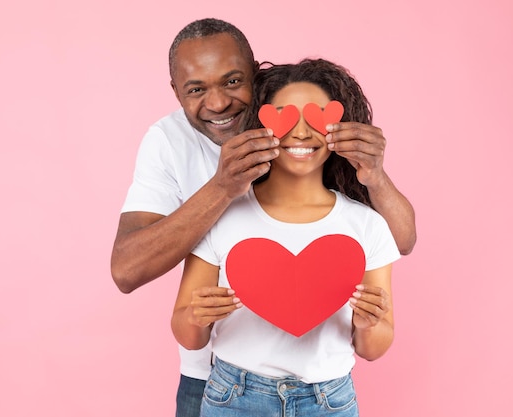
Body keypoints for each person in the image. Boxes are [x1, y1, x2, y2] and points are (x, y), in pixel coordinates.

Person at [110, 18, 416, 417]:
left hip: (325, 393)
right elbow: (126, 271)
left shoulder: (302, 132)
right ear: (176, 92)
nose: (218, 103)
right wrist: (221, 189)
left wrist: (374, 175)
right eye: (196, 89)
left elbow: (401, 241)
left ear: (257, 76)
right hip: (216, 379)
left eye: (233, 82)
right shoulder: (168, 142)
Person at [171, 57, 400, 416]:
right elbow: (187, 332)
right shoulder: (221, 216)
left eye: (318, 117)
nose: (302, 132)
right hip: (234, 396)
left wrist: (369, 323)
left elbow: (372, 347)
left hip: (329, 401)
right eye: (284, 117)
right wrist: (197, 317)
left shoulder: (367, 225)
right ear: (259, 125)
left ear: (340, 128)